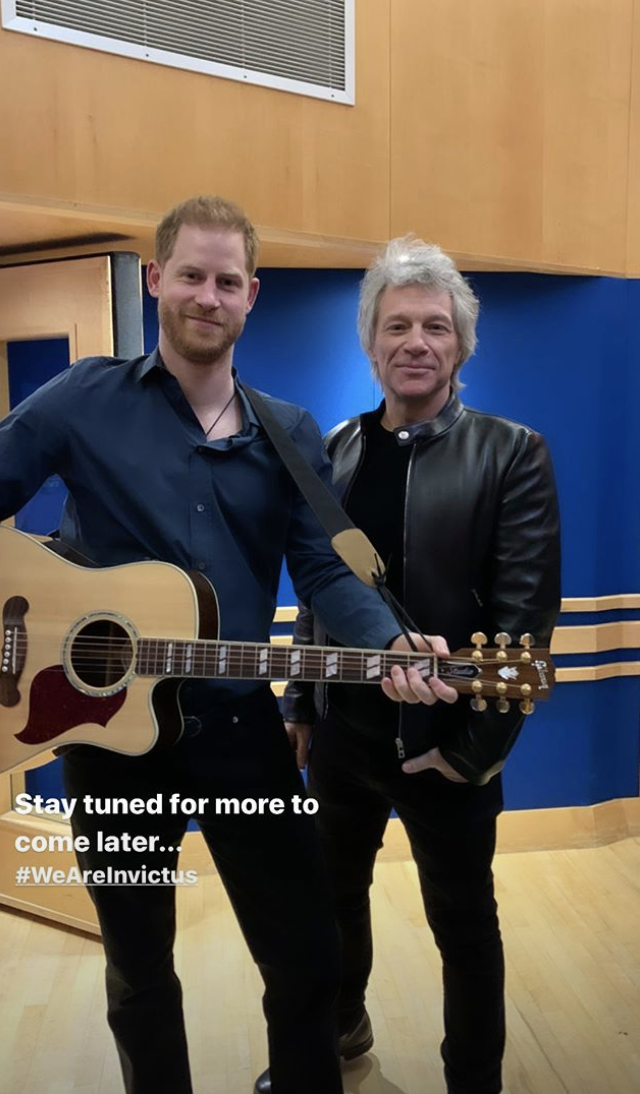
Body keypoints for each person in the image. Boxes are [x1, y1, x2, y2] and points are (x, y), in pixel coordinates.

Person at [0, 200, 454, 1094]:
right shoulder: (80, 399)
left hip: (242, 742)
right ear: (156, 280)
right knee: (138, 968)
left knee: (308, 961)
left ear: (253, 295)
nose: (208, 296)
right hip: (105, 745)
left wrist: (393, 643)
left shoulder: (287, 431)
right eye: (191, 275)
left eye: (227, 281)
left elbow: (325, 572)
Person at [255, 237, 561, 1094]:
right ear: (371, 343)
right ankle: (341, 1041)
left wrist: (468, 753)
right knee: (333, 902)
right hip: (346, 741)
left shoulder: (512, 452)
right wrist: (300, 706)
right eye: (397, 326)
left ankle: (474, 1081)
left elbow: (526, 622)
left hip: (446, 749)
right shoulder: (340, 451)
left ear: (460, 344)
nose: (416, 341)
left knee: (463, 928)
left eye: (435, 325)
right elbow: (318, 598)